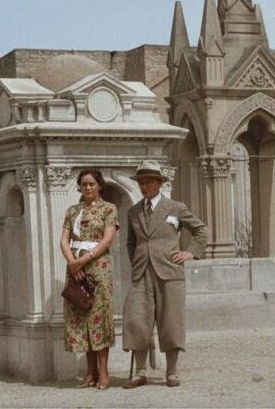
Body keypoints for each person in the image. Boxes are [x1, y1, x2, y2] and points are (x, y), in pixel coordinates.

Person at [122, 160, 208, 389]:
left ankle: (172, 372)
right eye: (141, 183)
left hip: (170, 272)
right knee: (137, 320)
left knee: (171, 322)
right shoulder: (133, 211)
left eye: (148, 182)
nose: (144, 186)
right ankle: (140, 372)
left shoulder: (175, 208)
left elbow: (201, 230)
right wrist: (138, 261)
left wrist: (190, 253)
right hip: (141, 273)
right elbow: (131, 243)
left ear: (159, 183)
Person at [60, 169, 119, 390]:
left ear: (99, 186)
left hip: (98, 266)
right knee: (82, 315)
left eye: (91, 184)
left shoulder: (108, 209)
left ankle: (103, 372)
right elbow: (64, 240)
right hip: (76, 268)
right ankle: (89, 372)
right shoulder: (72, 211)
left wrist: (84, 260)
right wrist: (72, 263)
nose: (87, 188)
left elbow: (107, 240)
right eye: (84, 184)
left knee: (99, 317)